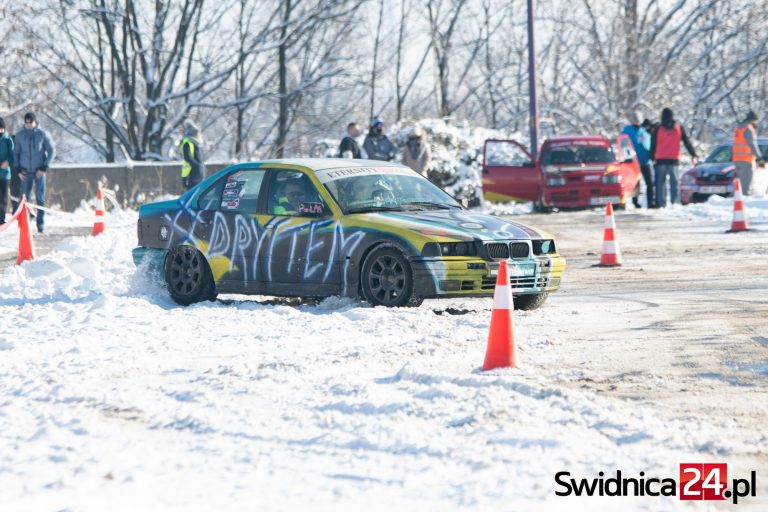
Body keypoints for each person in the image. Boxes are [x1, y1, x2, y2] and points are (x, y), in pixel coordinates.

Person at [13, 112, 55, 233]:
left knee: (40, 198)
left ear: (34, 122)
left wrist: (44, 167)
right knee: (25, 199)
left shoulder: (42, 134)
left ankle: (40, 223)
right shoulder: (20, 136)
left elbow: (51, 151)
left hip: (39, 172)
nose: (28, 125)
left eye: (30, 122)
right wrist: (18, 170)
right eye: (26, 123)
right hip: (25, 172)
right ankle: (25, 222)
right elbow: (16, 153)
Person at [650, 108, 697, 207]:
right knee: (674, 183)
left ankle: (660, 203)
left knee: (660, 183)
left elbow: (653, 144)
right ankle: (675, 202)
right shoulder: (678, 127)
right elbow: (686, 142)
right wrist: (693, 154)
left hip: (660, 159)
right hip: (673, 159)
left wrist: (652, 157)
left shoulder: (658, 128)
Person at [621, 111, 653, 208]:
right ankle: (635, 202)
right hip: (633, 162)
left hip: (645, 161)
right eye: (635, 120)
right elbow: (622, 143)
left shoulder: (645, 130)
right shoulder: (627, 130)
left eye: (638, 120)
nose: (637, 122)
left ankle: (650, 202)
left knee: (649, 183)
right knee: (635, 183)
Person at [732, 110, 764, 195]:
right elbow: (752, 144)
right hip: (746, 161)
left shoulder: (738, 128)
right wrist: (760, 158)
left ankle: (735, 200)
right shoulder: (748, 129)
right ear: (753, 120)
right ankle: (743, 204)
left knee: (739, 184)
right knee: (746, 186)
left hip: (737, 160)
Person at [180, 122, 206, 190]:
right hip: (191, 175)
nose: (200, 136)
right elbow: (187, 158)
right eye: (199, 134)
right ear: (194, 134)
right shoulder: (188, 143)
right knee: (192, 196)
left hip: (198, 175)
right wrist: (197, 166)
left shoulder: (197, 145)